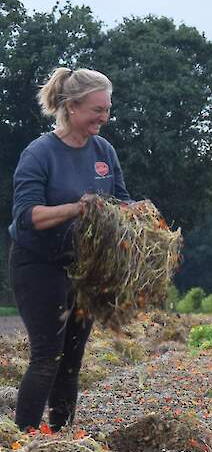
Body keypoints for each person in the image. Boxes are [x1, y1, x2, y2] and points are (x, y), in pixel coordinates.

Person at [8, 67, 133, 432]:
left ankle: (60, 437)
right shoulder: (40, 153)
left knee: (72, 360)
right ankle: (23, 443)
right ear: (72, 107)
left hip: (83, 268)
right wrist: (79, 207)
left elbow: (120, 201)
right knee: (48, 355)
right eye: (97, 110)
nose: (104, 118)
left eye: (107, 109)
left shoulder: (104, 151)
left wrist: (137, 214)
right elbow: (28, 216)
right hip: (38, 264)